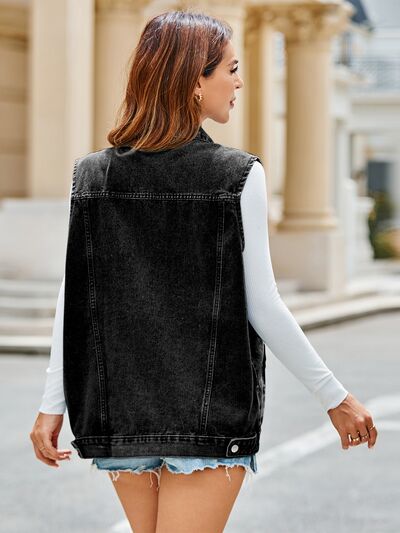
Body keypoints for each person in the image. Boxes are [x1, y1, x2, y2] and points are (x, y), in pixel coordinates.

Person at [30, 10, 378, 533]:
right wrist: (336, 397)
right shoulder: (237, 175)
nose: (239, 82)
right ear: (195, 80)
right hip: (208, 414)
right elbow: (263, 304)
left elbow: (75, 296)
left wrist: (51, 404)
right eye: (231, 69)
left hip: (121, 412)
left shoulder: (93, 176)